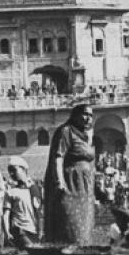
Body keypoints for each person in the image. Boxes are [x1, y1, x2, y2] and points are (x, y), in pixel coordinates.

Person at [43, 104, 97, 245]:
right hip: (71, 181)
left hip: (84, 185)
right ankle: (67, 247)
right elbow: (58, 157)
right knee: (70, 217)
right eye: (85, 114)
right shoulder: (66, 131)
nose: (88, 119)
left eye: (91, 116)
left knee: (84, 217)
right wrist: (59, 181)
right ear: (75, 115)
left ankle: (82, 246)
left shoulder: (86, 136)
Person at [2, 156, 40, 249]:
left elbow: (39, 211)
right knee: (31, 250)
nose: (11, 173)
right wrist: (7, 232)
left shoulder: (34, 189)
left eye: (14, 170)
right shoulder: (10, 192)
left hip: (33, 229)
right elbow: (6, 215)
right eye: (9, 171)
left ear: (23, 169)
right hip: (19, 230)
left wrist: (41, 230)